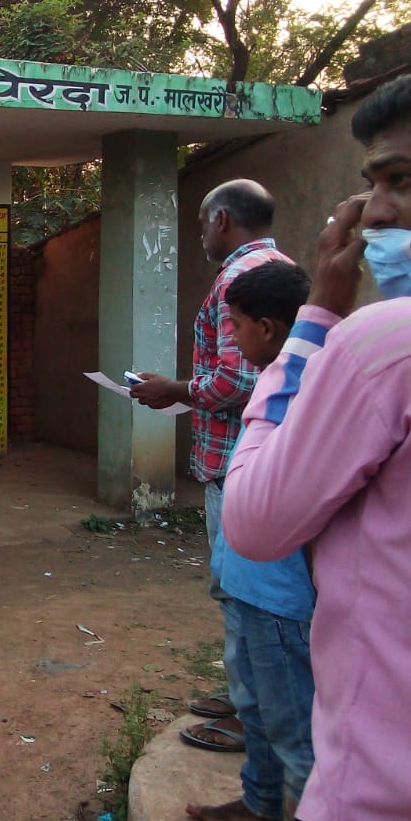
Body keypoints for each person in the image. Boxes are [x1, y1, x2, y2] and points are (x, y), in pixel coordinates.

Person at [224, 67, 411, 821]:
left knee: (278, 699)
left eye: (399, 181)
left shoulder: (389, 346)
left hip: (380, 798)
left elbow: (257, 520)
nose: (376, 213)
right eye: (371, 186)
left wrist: (315, 327)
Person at [130, 178, 291, 752]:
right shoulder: (276, 267)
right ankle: (244, 694)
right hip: (254, 455)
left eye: (202, 222)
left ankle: (254, 715)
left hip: (237, 460)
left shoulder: (238, 280)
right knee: (246, 590)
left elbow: (239, 378)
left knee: (242, 590)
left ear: (222, 219)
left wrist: (173, 388)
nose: (199, 232)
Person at [185, 260, 316, 821]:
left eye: (235, 326)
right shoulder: (273, 378)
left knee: (295, 729)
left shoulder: (308, 389)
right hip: (247, 582)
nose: (230, 338)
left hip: (280, 595)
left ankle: (307, 814)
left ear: (268, 327)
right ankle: (261, 804)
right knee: (257, 709)